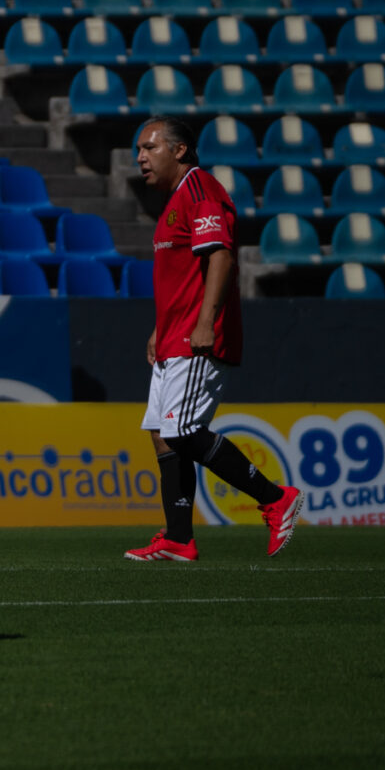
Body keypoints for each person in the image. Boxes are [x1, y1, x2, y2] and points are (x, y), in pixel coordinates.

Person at [125, 116, 302, 562]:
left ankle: (276, 498)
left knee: (183, 431)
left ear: (179, 150)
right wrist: (159, 328)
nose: (140, 157)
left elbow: (220, 256)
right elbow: (182, 276)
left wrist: (205, 323)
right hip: (173, 336)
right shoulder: (175, 200)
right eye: (138, 150)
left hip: (196, 336)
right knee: (162, 434)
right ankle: (179, 539)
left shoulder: (201, 190)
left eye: (149, 147)